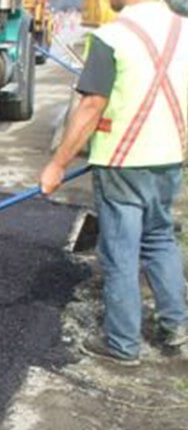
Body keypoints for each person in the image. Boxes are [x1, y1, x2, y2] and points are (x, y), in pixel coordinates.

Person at [40, 0, 188, 366]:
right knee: (159, 238)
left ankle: (122, 344)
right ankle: (177, 327)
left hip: (123, 161)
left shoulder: (112, 38)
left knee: (120, 251)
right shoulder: (184, 30)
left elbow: (91, 106)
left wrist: (57, 164)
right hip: (169, 157)